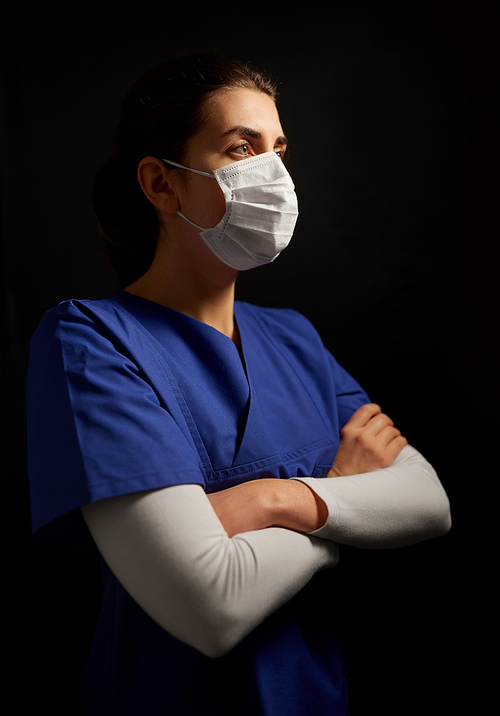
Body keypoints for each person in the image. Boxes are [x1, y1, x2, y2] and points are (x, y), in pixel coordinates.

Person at [27, 52, 451, 715]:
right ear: (162, 185)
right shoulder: (93, 342)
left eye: (278, 148)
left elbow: (428, 502)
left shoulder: (293, 338)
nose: (274, 175)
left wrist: (272, 500)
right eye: (241, 149)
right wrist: (344, 499)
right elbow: (211, 604)